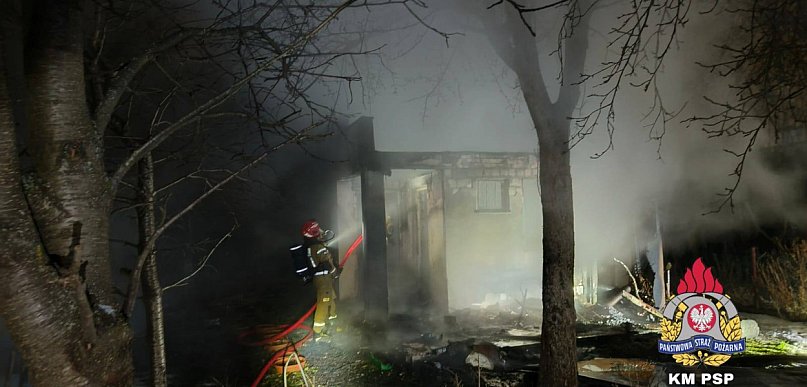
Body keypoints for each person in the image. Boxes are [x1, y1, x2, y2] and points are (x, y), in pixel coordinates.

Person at [300, 220, 338, 338]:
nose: (321, 232)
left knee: (331, 297)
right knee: (324, 302)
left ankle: (332, 321)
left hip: (321, 278)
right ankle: (318, 332)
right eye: (318, 230)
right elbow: (327, 262)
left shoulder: (311, 247)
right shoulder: (318, 247)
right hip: (323, 278)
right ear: (314, 233)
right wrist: (335, 272)